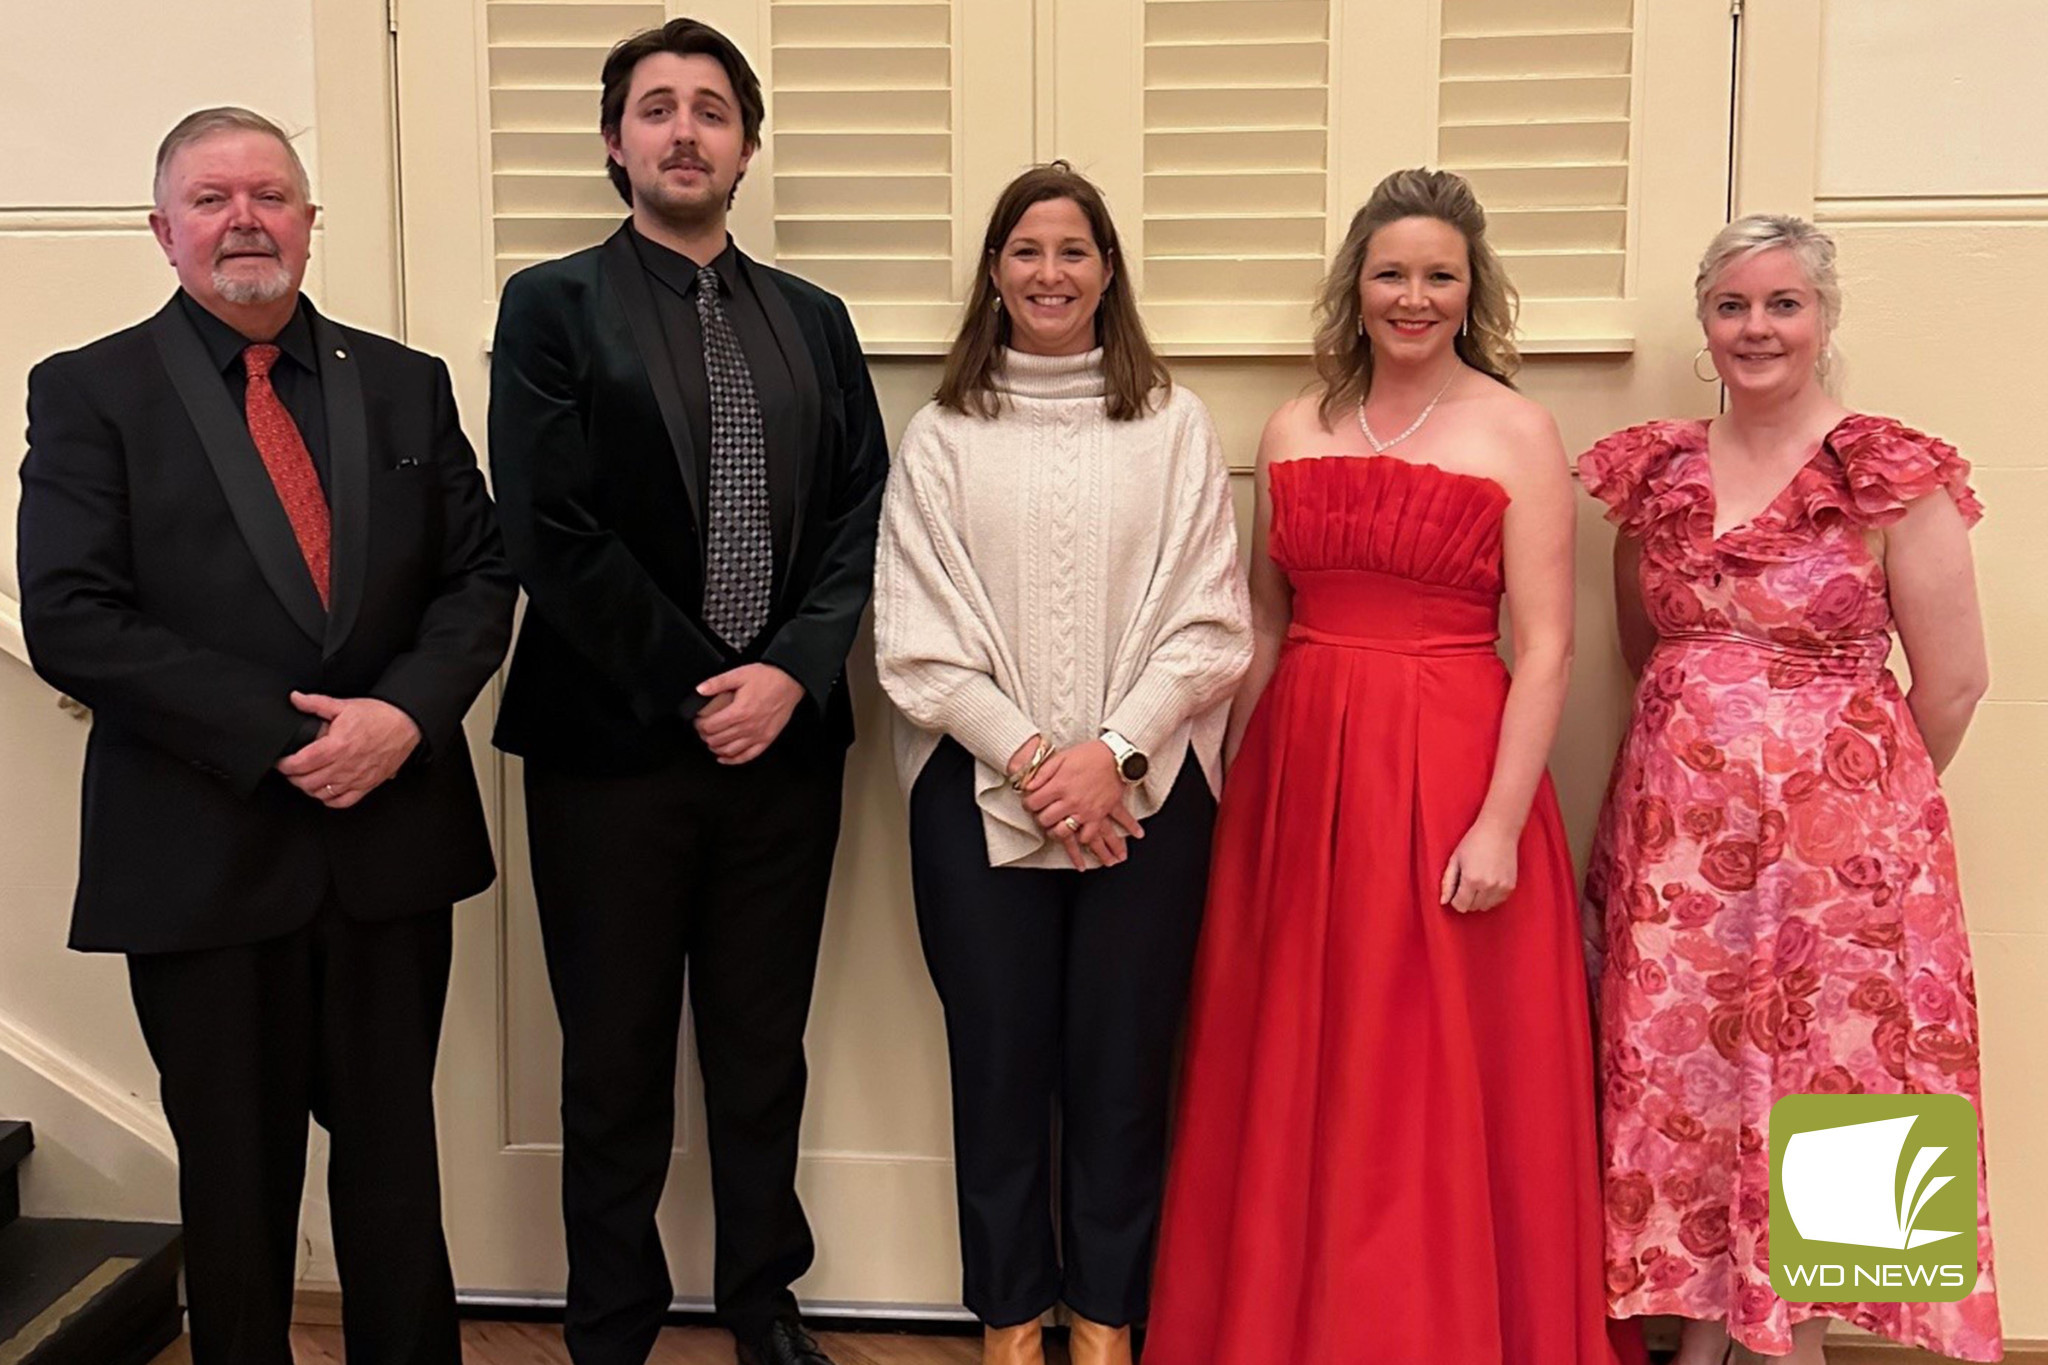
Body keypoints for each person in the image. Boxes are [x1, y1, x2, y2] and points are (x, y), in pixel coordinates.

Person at [15, 107, 515, 1365]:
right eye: (211, 198)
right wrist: (287, 736)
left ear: (307, 218)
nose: (245, 219)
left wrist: (400, 715)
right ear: (164, 229)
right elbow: (73, 616)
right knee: (235, 1188)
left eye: (270, 195)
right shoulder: (90, 391)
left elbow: (479, 576)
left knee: (397, 1169)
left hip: (390, 843)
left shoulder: (406, 382)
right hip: (201, 850)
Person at [1144, 168, 1628, 1365]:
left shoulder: (1516, 429)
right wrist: (1226, 778)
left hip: (1450, 767)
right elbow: (1260, 617)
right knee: (1294, 1060)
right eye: (1390, 274)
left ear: (1471, 294)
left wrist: (1497, 824)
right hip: (1300, 769)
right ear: (1354, 290)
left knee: (1423, 1070)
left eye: (1438, 276)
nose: (1413, 297)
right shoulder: (1293, 425)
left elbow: (1551, 646)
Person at [486, 18, 888, 1365]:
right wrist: (702, 682)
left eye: (711, 110)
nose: (684, 131)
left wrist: (785, 673)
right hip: (609, 745)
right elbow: (550, 528)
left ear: (746, 148)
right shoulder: (549, 306)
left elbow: (858, 515)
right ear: (616, 144)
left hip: (786, 749)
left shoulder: (816, 325)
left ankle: (763, 1304)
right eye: (656, 109)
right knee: (613, 1061)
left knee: (761, 1051)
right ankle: (611, 1322)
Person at [1579, 215, 2003, 1365]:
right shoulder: (1657, 473)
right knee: (1690, 1075)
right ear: (1703, 324)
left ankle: (1793, 1338)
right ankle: (1713, 1326)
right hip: (1679, 846)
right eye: (1731, 306)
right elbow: (1644, 650)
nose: (1755, 328)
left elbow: (1954, 683)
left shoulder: (1885, 471)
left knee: (1833, 1073)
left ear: (1821, 318)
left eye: (1781, 304)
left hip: (1843, 861)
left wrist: (1854, 814)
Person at [872, 161, 1250, 1365]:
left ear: (1106, 272)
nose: (1049, 273)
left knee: (1122, 1073)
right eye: (1026, 251)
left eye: (1073, 251)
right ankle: (1006, 1325)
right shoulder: (941, 435)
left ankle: (1101, 1323)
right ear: (993, 272)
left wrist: (1114, 756)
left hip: (1146, 797)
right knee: (996, 1071)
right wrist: (1041, 762)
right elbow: (914, 640)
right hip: (977, 796)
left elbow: (1210, 622)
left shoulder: (1172, 424)